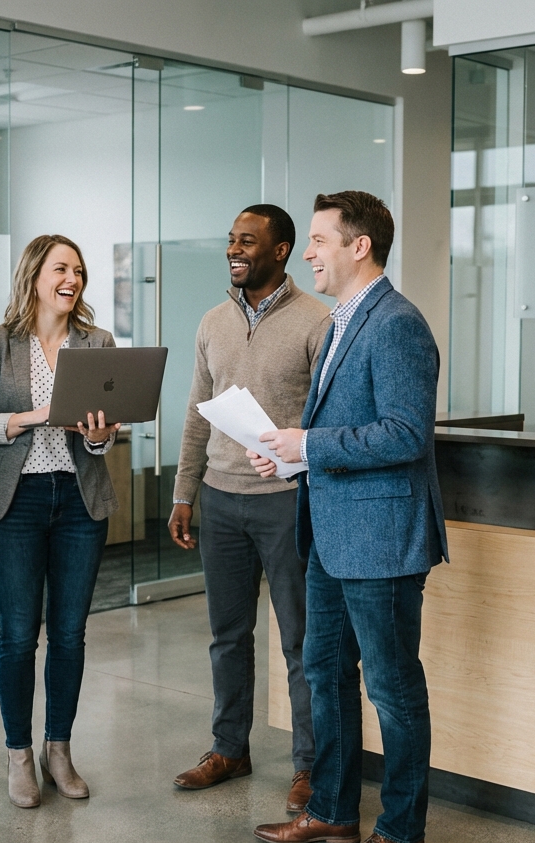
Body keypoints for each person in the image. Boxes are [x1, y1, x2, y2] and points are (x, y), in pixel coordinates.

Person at [248, 191, 448, 843]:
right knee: (325, 674)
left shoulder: (397, 325)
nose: (307, 253)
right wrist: (290, 454)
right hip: (331, 536)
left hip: (382, 541)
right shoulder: (340, 322)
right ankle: (332, 808)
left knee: (393, 689)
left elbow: (406, 433)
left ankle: (402, 831)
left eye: (318, 240)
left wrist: (312, 441)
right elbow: (343, 434)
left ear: (358, 246)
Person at [170, 205, 329, 810]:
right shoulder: (213, 321)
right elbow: (195, 411)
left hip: (288, 502)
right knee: (227, 636)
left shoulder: (316, 320)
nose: (235, 250)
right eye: (231, 240)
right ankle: (229, 748)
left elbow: (326, 420)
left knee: (301, 641)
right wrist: (185, 491)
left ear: (282, 249)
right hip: (222, 499)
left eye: (248, 241)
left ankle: (310, 767)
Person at [0, 234, 120, 809]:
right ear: (34, 275)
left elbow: (105, 433)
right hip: (16, 505)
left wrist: (101, 436)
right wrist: (33, 416)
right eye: (61, 268)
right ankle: (19, 755)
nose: (72, 279)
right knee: (19, 636)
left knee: (70, 634)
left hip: (79, 503)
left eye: (78, 270)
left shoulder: (97, 342)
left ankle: (60, 750)